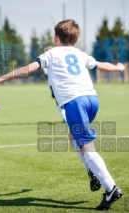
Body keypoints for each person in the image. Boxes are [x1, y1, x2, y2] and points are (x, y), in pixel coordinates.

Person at [0, 19, 124, 210]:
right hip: (92, 100)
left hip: (75, 103)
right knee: (73, 136)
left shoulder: (51, 53)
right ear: (75, 38)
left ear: (56, 37)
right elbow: (101, 65)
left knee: (86, 145)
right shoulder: (79, 53)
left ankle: (111, 187)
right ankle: (92, 169)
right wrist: (119, 67)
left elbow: (26, 70)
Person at [44, 45, 101, 192]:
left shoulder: (53, 59)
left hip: (72, 96)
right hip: (87, 97)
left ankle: (107, 183)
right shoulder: (75, 55)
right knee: (72, 135)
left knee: (82, 139)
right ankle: (91, 169)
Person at [43, 46, 67, 123]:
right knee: (60, 102)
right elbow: (46, 72)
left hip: (61, 84)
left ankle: (66, 117)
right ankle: (65, 117)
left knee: (63, 102)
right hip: (55, 85)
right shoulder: (46, 62)